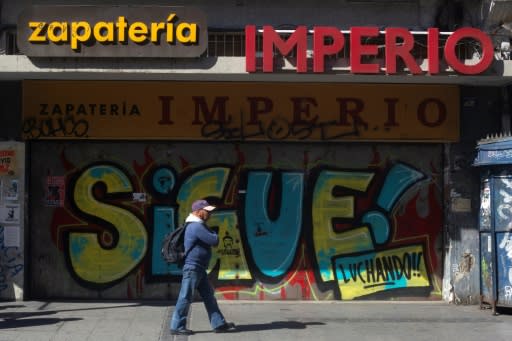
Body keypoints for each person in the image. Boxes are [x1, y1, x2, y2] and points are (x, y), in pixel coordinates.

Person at [170, 199, 236, 335]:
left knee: (208, 296)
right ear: (199, 212)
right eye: (207, 211)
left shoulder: (198, 224)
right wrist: (213, 233)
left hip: (198, 268)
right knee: (185, 296)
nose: (210, 214)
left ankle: (219, 324)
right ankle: (177, 326)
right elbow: (214, 240)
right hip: (193, 268)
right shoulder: (196, 226)